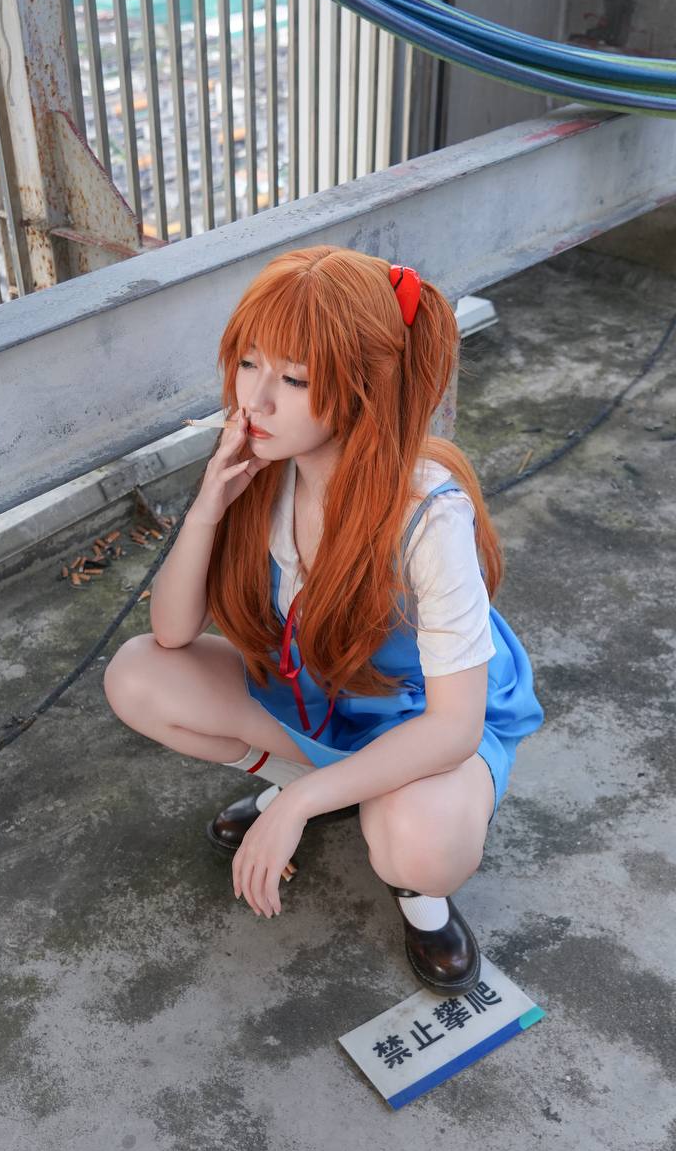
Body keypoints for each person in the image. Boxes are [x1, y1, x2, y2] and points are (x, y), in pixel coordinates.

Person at [104, 245, 544, 997]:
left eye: (295, 379)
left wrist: (300, 807)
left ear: (362, 388)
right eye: (249, 363)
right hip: (319, 695)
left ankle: (411, 890)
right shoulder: (263, 471)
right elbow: (173, 634)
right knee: (139, 675)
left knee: (420, 846)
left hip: (418, 717)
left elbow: (453, 727)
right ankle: (334, 785)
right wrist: (209, 504)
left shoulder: (427, 513)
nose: (257, 399)